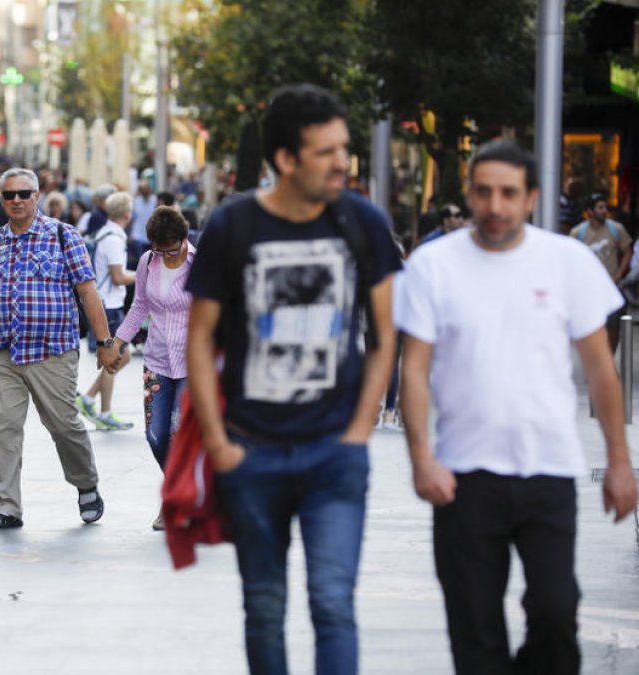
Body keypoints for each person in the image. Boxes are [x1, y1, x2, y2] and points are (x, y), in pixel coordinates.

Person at [396, 140, 638, 675]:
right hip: (462, 476)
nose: (495, 205)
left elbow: (602, 369)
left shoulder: (567, 262)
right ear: (469, 194)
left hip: (547, 471)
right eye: (483, 192)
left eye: (508, 193)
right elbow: (413, 369)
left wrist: (619, 462)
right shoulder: (433, 265)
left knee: (556, 612)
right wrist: (421, 458)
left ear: (531, 198)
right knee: (475, 630)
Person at [184, 84, 400, 675]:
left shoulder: (363, 222)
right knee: (264, 607)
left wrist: (359, 431)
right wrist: (219, 443)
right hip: (252, 451)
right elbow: (200, 336)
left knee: (333, 603)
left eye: (344, 149)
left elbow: (385, 334)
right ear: (285, 158)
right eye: (326, 152)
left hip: (334, 453)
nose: (342, 163)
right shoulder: (233, 225)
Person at [0, 167, 120, 530]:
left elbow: (88, 292)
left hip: (51, 349)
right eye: (9, 195)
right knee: (4, 430)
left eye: (24, 194)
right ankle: (7, 506)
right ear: (2, 199)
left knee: (64, 425)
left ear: (37, 196)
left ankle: (86, 484)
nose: (17, 200)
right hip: (6, 351)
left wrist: (105, 343)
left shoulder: (63, 235)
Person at [113, 206, 195, 530]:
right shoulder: (149, 261)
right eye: (160, 249)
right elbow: (139, 307)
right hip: (157, 360)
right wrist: (117, 343)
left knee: (178, 432)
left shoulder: (200, 263)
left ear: (184, 239)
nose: (166, 256)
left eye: (171, 250)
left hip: (193, 364)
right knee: (156, 435)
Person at [76, 191, 136, 430]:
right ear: (127, 214)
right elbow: (118, 277)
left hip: (107, 303)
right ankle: (102, 410)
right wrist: (143, 274)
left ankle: (91, 400)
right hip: (109, 306)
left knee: (121, 356)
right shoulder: (114, 239)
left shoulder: (106, 233)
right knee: (117, 357)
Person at [570, 193, 633, 354]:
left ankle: (609, 359)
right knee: (591, 328)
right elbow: (570, 259)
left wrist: (619, 274)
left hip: (612, 286)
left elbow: (627, 251)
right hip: (588, 290)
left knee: (614, 326)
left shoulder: (616, 229)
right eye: (600, 207)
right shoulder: (578, 233)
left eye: (605, 207)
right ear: (590, 211)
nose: (605, 210)